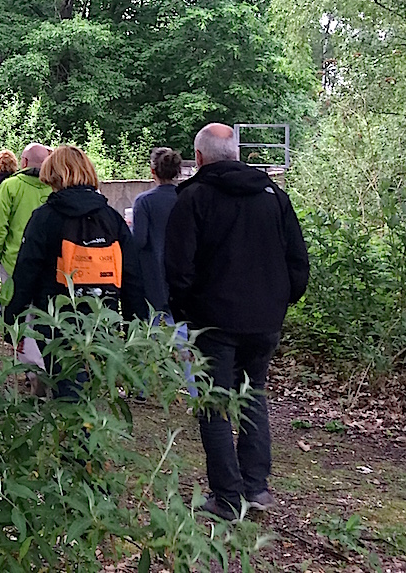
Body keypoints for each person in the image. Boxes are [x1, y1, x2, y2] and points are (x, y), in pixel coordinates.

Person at [165, 123, 309, 520]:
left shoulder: (194, 198)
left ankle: (227, 496)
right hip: (264, 320)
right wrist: (280, 301)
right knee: (253, 396)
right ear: (235, 152)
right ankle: (256, 488)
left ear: (198, 158)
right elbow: (298, 260)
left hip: (213, 321)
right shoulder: (273, 196)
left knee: (214, 404)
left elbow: (178, 268)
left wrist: (187, 313)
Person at [5, 145, 143, 399]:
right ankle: (84, 430)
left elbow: (26, 271)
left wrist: (12, 319)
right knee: (89, 381)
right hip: (102, 316)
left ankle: (75, 432)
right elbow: (132, 273)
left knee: (66, 385)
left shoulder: (45, 218)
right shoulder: (111, 218)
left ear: (53, 175)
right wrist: (136, 322)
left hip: (57, 319)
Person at [132, 147, 196, 397]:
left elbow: (139, 241)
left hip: (154, 277)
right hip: (185, 277)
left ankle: (141, 388)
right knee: (186, 340)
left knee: (147, 334)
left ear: (152, 171)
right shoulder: (188, 198)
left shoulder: (144, 202)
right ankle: (195, 393)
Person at [0, 143, 51, 312]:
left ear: (24, 162)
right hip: (48, 262)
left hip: (13, 261)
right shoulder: (54, 188)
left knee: (15, 313)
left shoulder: (10, 186)